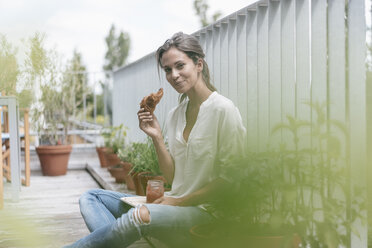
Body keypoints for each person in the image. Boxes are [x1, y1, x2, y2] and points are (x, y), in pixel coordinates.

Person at [64, 32, 246, 248]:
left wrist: (177, 202)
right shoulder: (175, 115)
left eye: (180, 66)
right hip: (171, 206)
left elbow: (229, 181)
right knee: (91, 198)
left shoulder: (224, 110)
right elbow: (172, 176)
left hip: (206, 214)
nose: (174, 75)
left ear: (198, 64)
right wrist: (157, 138)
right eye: (167, 70)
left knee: (140, 215)